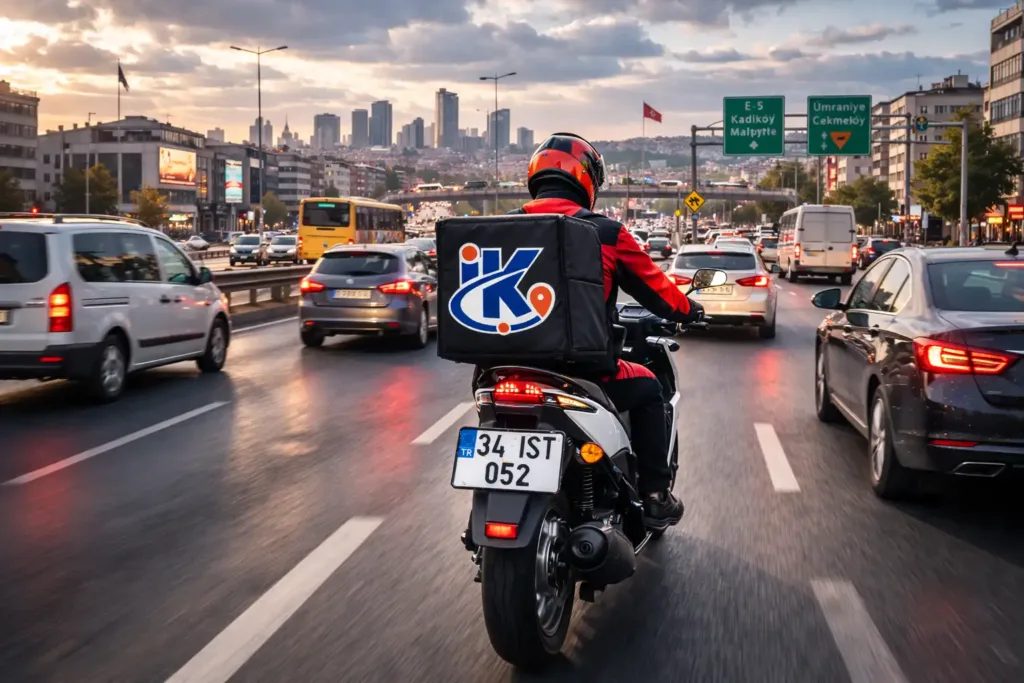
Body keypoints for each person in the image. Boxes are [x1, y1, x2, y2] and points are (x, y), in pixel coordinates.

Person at [513, 132, 704, 529]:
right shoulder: (604, 233)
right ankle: (654, 496)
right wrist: (690, 309)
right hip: (583, 372)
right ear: (586, 181)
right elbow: (660, 294)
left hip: (502, 369)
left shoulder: (502, 229)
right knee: (651, 387)